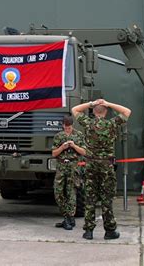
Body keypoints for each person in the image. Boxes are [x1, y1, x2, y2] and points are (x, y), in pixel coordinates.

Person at [72, 98, 131, 240]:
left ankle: (88, 231)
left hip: (91, 165)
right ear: (105, 111)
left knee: (90, 198)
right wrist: (108, 103)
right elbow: (127, 111)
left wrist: (92, 103)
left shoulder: (88, 123)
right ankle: (109, 231)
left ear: (93, 112)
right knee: (107, 199)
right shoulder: (111, 124)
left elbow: (75, 109)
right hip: (106, 165)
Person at [51, 115, 88, 230]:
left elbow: (84, 152)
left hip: (73, 166)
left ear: (72, 125)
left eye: (70, 127)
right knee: (58, 192)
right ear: (63, 125)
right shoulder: (58, 136)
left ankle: (69, 218)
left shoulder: (78, 135)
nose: (68, 129)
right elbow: (54, 154)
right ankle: (66, 216)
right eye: (66, 127)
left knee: (71, 193)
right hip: (61, 166)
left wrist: (73, 145)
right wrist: (62, 147)